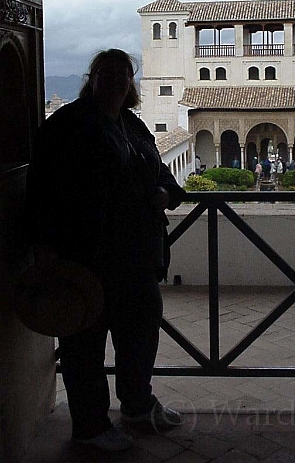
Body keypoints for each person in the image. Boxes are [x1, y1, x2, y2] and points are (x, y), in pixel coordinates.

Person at [26, 49, 186, 452]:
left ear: (130, 84)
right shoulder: (66, 126)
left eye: (123, 74)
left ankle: (136, 405)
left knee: (140, 336)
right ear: (91, 77)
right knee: (84, 345)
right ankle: (91, 427)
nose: (115, 80)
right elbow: (41, 191)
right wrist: (45, 249)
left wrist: (167, 193)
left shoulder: (132, 125)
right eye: (106, 72)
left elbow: (163, 174)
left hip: (137, 257)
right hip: (87, 258)